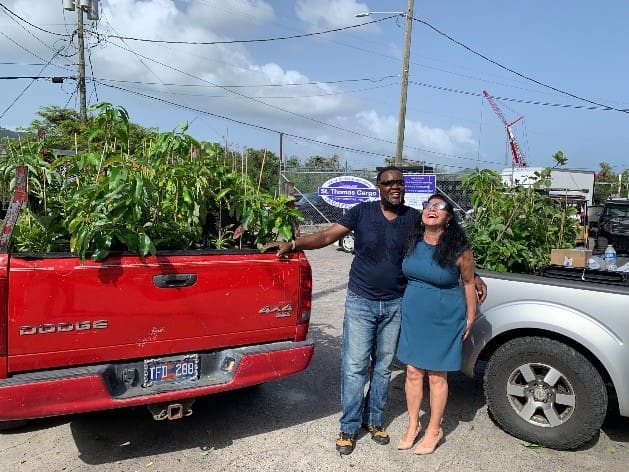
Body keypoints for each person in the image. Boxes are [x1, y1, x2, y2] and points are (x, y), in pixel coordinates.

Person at [264, 166, 486, 456]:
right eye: (388, 183)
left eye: (400, 183)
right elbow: (328, 236)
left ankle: (375, 420)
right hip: (361, 301)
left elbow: (445, 248)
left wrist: (474, 276)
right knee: (356, 366)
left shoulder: (412, 219)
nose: (395, 187)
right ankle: (349, 425)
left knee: (383, 368)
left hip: (396, 304)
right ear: (378, 187)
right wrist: (293, 244)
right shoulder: (361, 212)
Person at [395, 193, 477, 455]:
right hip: (414, 314)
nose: (432, 209)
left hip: (445, 316)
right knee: (412, 372)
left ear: (449, 217)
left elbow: (468, 282)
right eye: (428, 206)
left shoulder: (458, 249)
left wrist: (471, 316)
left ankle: (433, 429)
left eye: (439, 206)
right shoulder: (412, 242)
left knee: (436, 375)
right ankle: (412, 425)